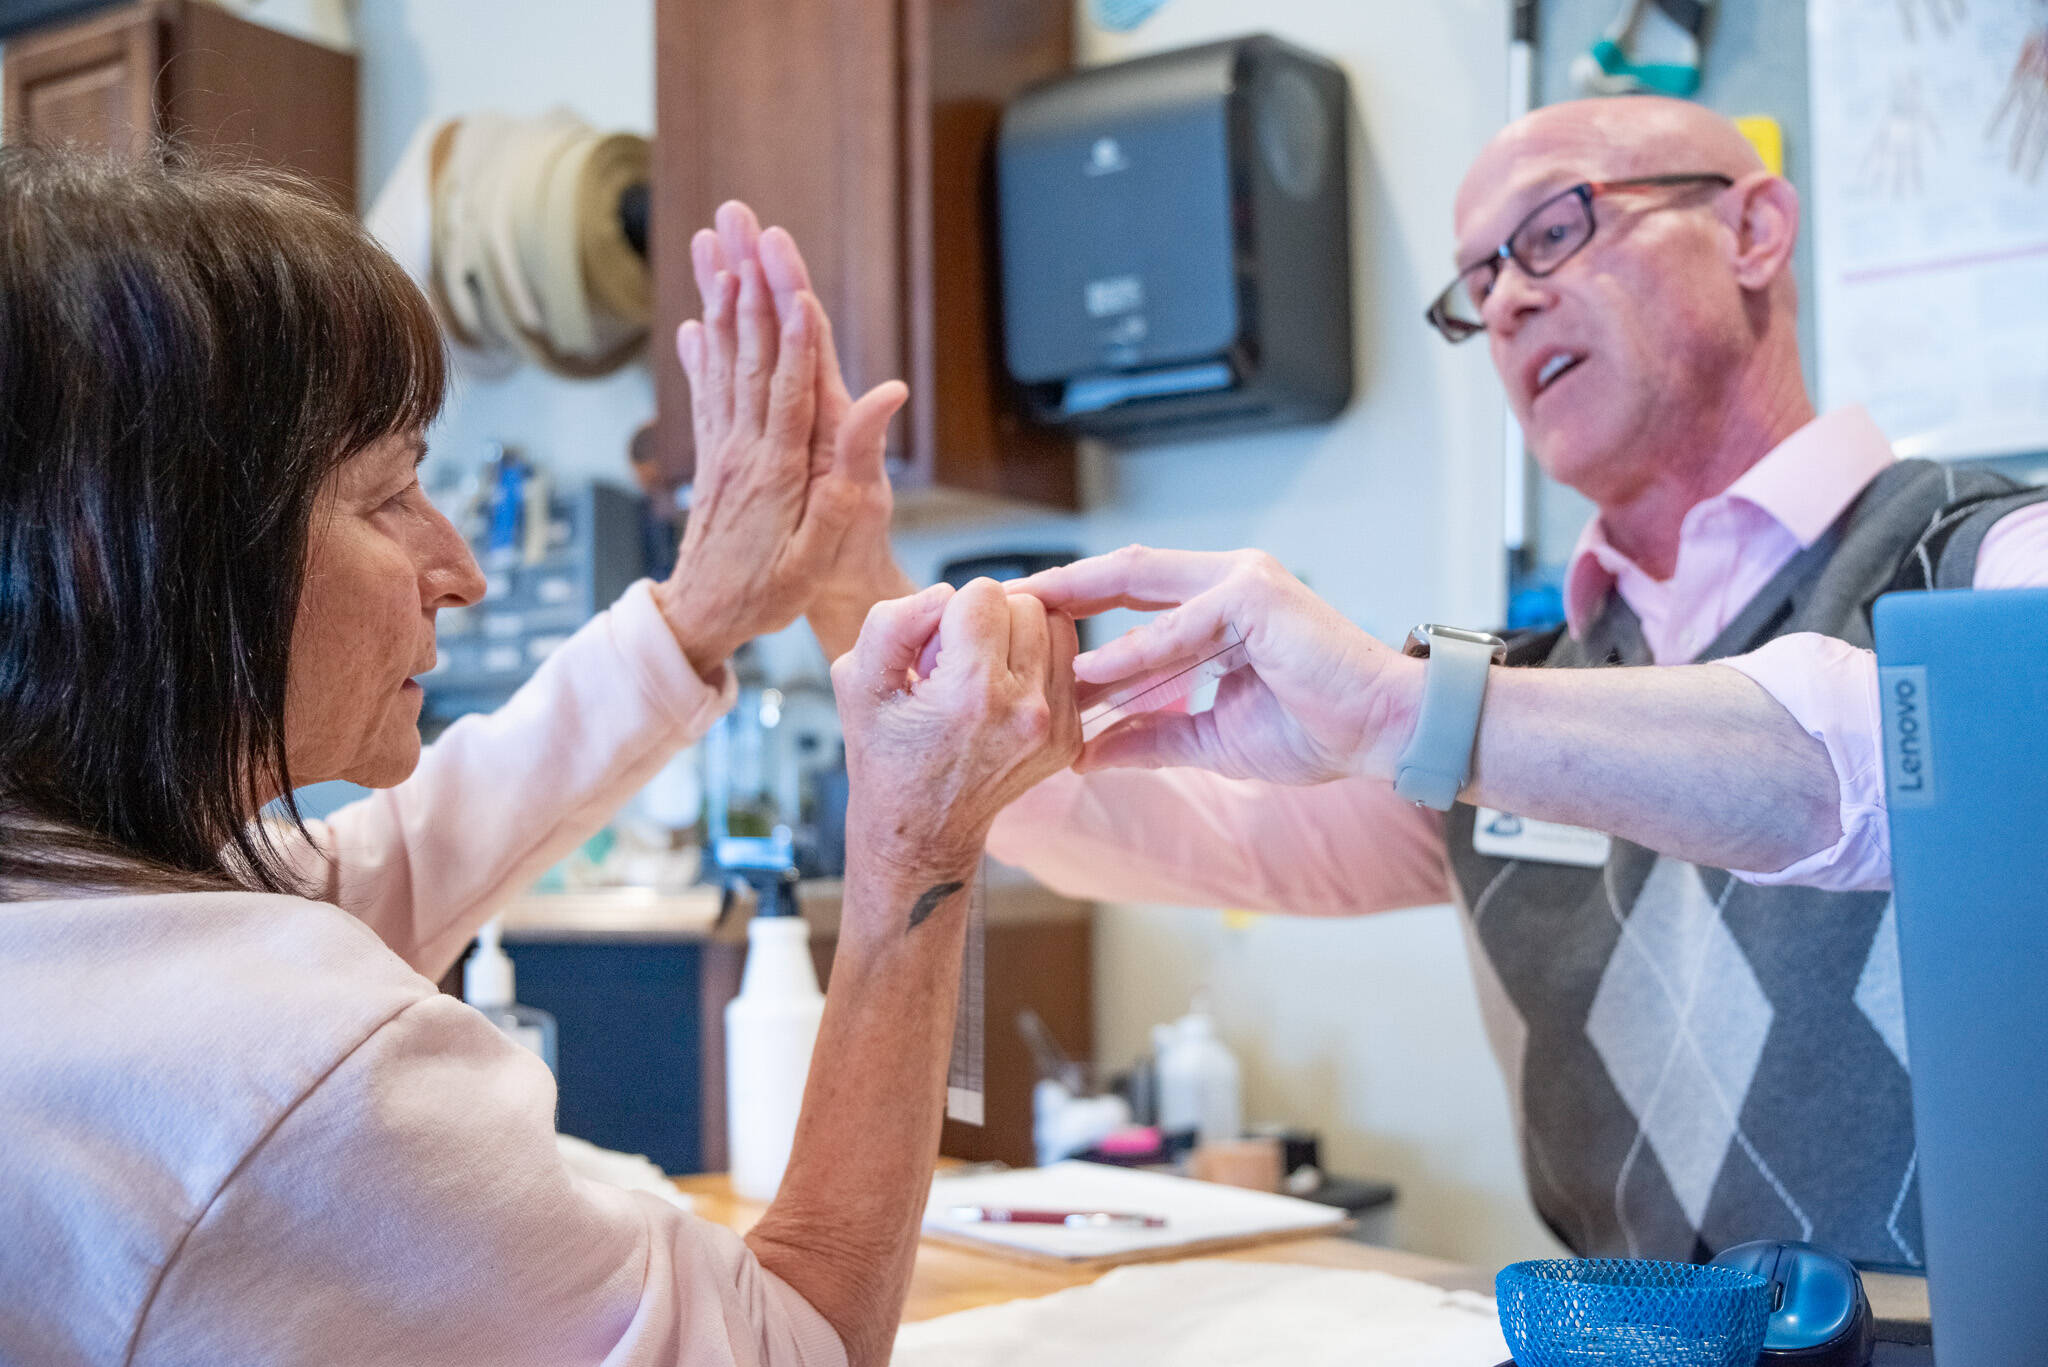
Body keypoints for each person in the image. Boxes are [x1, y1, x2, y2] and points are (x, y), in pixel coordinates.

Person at [714, 96, 2048, 1266]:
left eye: (1556, 229)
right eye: (1480, 278)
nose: (1510, 298)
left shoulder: (1987, 548)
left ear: (1754, 230)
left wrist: (1422, 711)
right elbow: (1161, 832)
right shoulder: (1520, 693)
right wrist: (855, 586)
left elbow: (1950, 748)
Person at [0, 146, 1079, 1367]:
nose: (459, 568)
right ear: (120, 550)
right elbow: (793, 1348)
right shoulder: (269, 1061)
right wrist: (915, 847)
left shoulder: (70, 928)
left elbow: (356, 882)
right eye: (389, 493)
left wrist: (698, 610)